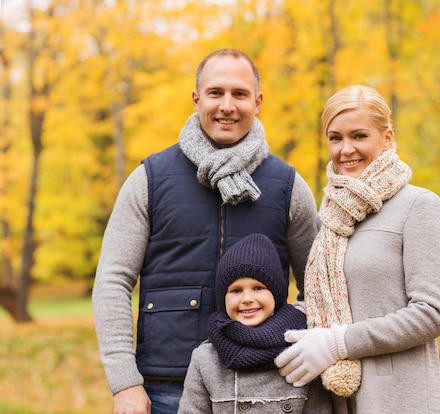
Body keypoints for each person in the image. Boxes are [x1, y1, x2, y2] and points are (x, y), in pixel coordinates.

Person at [92, 48, 319, 414]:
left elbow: (321, 285)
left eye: (239, 94)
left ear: (258, 102)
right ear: (196, 99)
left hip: (267, 386)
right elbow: (112, 280)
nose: (227, 105)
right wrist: (125, 382)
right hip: (167, 387)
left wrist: (296, 340)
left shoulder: (288, 185)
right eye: (216, 93)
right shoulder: (149, 179)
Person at [274, 85, 440, 413]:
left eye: (359, 136)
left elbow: (432, 313)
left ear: (386, 138)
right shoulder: (329, 216)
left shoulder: (419, 206)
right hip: (334, 398)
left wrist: (339, 342)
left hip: (398, 399)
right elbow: (322, 298)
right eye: (335, 138)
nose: (345, 150)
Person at [177, 233, 331, 413]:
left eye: (258, 288)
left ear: (276, 294)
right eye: (236, 290)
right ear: (223, 299)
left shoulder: (303, 350)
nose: (247, 299)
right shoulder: (205, 359)